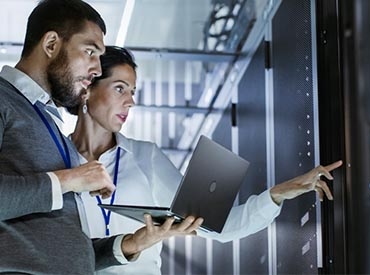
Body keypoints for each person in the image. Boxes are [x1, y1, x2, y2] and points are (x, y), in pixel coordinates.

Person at [69, 45, 343, 275]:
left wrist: (278, 194)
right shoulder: (55, 159)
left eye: (133, 92)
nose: (130, 102)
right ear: (88, 88)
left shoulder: (145, 157)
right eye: (120, 89)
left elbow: (218, 228)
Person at [0, 1, 197, 274]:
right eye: (90, 51)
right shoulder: (3, 99)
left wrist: (131, 243)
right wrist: (71, 179)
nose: (95, 68)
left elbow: (62, 248)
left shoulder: (48, 123)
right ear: (51, 44)